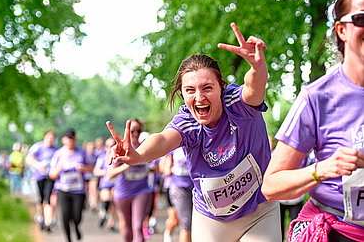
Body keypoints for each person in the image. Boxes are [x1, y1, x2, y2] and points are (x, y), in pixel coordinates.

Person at [107, 22, 281, 241]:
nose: (199, 97)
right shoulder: (188, 121)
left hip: (259, 213)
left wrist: (257, 68)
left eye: (207, 87)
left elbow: (254, 89)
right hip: (211, 219)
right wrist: (139, 155)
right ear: (182, 93)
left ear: (221, 87)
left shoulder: (237, 104)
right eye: (190, 90)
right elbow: (163, 139)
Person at [262, 0, 364, 242]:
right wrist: (323, 168)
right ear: (342, 30)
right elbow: (271, 186)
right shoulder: (317, 97)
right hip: (339, 231)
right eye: (363, 18)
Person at [107, 118, 153, 242]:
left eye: (138, 131)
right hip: (123, 193)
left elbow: (154, 166)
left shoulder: (146, 147)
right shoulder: (119, 149)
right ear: (127, 132)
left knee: (138, 227)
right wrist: (126, 165)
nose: (135, 134)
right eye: (132, 131)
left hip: (142, 191)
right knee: (128, 227)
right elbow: (110, 174)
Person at [49, 128, 93, 242]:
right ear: (63, 140)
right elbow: (51, 174)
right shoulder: (58, 154)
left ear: (75, 139)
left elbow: (92, 168)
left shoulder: (82, 153)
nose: (71, 141)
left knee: (77, 216)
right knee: (65, 216)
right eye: (68, 139)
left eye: (73, 139)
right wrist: (59, 169)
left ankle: (77, 227)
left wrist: (83, 168)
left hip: (78, 190)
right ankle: (68, 239)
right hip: (63, 190)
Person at [26, 130, 58, 231]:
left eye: (52, 138)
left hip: (50, 177)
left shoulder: (56, 150)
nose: (50, 139)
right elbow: (29, 159)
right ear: (44, 137)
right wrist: (38, 165)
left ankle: (48, 222)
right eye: (49, 137)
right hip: (39, 177)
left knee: (48, 199)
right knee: (40, 200)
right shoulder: (38, 147)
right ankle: (40, 216)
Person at [164, 147, 194, 242]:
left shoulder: (195, 142)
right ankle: (167, 235)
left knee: (193, 222)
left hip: (195, 188)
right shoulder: (173, 147)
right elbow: (166, 170)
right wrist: (174, 168)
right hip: (178, 188)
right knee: (185, 222)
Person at [93, 137, 118, 232]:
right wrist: (106, 172)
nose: (109, 148)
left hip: (116, 184)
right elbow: (96, 171)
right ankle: (103, 214)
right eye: (107, 146)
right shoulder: (102, 158)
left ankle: (111, 223)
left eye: (112, 146)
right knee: (106, 201)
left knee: (115, 203)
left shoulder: (119, 157)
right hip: (105, 184)